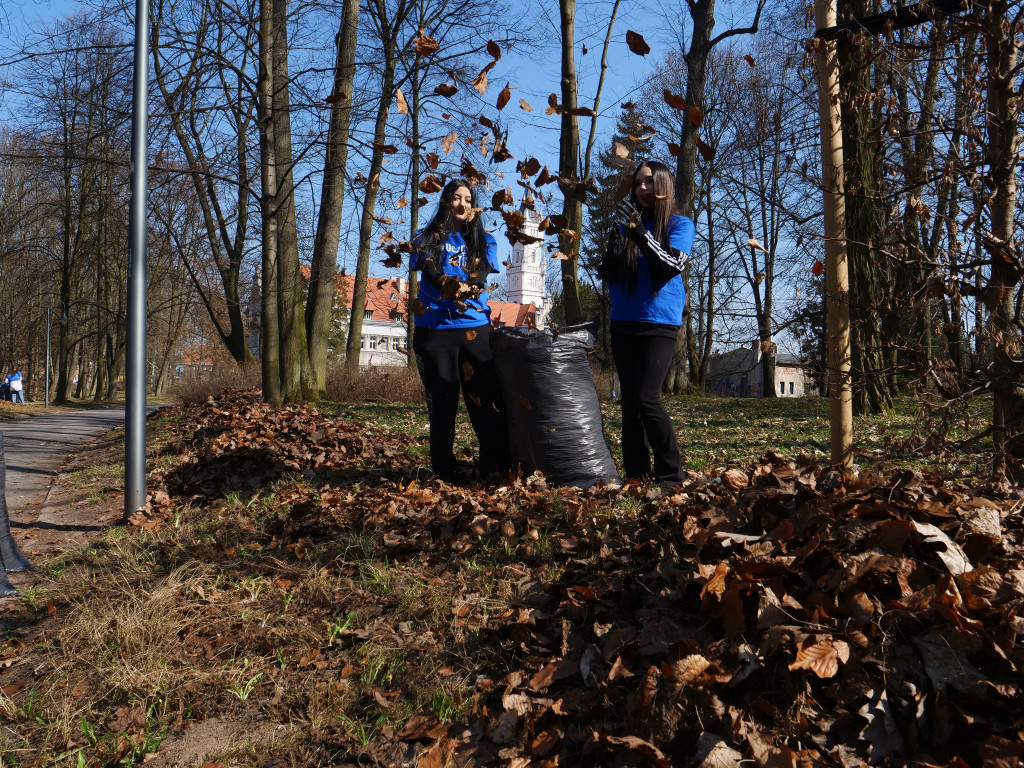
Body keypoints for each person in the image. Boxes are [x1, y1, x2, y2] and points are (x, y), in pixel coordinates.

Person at [598, 161, 695, 483]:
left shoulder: (680, 225)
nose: (641, 188)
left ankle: (671, 475)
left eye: (649, 181)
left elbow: (670, 265)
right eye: (637, 183)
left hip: (659, 322)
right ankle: (636, 475)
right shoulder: (623, 228)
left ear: (664, 185)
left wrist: (640, 234)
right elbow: (610, 276)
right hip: (624, 320)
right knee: (630, 402)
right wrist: (611, 257)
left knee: (646, 396)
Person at [411, 179, 510, 482]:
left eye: (468, 199)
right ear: (445, 202)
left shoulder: (483, 240)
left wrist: (471, 286)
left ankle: (494, 462)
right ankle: (443, 465)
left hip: (473, 327)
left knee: (483, 397)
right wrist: (446, 283)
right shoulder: (424, 237)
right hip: (435, 328)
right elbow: (427, 269)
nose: (462, 204)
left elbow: (481, 273)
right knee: (442, 400)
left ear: (473, 206)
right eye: (455, 197)